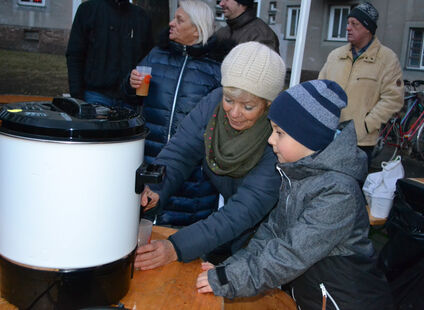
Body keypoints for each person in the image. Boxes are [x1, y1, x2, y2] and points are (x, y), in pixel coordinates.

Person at [196, 80, 393, 310]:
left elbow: (289, 254)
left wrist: (229, 279)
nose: (271, 140)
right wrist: (228, 269)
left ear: (308, 138)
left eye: (279, 133)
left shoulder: (338, 193)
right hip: (315, 298)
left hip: (347, 302)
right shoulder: (299, 176)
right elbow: (271, 234)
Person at [135, 42, 286, 270]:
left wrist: (177, 247)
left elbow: (245, 208)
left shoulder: (279, 136)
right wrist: (155, 188)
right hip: (230, 225)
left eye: (248, 107)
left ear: (268, 105)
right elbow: (180, 153)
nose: (234, 113)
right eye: (229, 99)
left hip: (272, 236)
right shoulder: (212, 107)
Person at [124, 0, 222, 226]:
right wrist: (130, 84)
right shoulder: (156, 55)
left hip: (194, 176)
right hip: (151, 160)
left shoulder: (217, 69)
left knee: (182, 241)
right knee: (142, 231)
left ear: (197, 28)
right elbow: (131, 97)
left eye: (179, 19)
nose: (171, 23)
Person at [318, 2, 403, 165]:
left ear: (368, 28)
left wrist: (364, 127)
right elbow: (320, 89)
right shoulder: (335, 56)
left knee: (351, 187)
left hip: (360, 143)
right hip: (328, 136)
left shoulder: (387, 59)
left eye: (354, 24)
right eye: (348, 23)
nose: (348, 28)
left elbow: (393, 100)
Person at [66, 0, 153, 109]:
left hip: (130, 101)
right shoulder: (88, 10)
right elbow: (75, 55)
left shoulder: (141, 17)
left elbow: (147, 60)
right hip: (94, 97)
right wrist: (77, 97)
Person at [212, 0, 279, 61]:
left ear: (243, 5)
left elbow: (264, 69)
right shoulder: (222, 32)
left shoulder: (261, 35)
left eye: (227, 0)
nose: (221, 3)